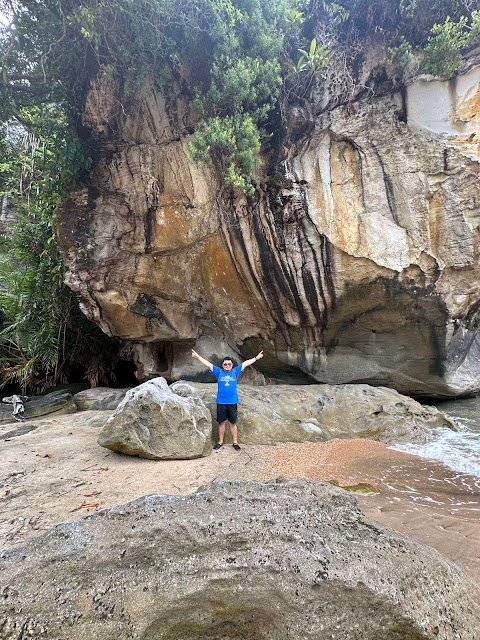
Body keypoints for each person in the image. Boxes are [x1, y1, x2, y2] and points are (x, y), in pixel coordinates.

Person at [191, 349, 264, 451]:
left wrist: (256, 358)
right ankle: (220, 442)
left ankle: (235, 443)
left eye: (229, 364)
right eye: (225, 364)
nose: (227, 366)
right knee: (221, 423)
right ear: (222, 365)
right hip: (221, 402)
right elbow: (208, 364)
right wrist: (198, 357)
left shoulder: (235, 371)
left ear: (232, 365)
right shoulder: (218, 372)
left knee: (233, 423)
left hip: (232, 402)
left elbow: (245, 363)